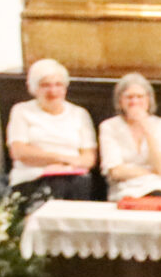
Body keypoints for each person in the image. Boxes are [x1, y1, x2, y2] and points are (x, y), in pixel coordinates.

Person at [5, 59, 97, 202]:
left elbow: (88, 159)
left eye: (58, 85)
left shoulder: (79, 113)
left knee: (78, 183)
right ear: (34, 88)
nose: (53, 91)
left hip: (72, 177)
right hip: (33, 177)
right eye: (45, 85)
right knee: (57, 186)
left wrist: (64, 167)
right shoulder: (21, 111)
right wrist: (61, 160)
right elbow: (19, 152)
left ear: (65, 87)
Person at [99, 71, 161, 203]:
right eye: (129, 97)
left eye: (140, 97)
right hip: (124, 188)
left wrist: (147, 131)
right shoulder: (109, 126)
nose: (135, 101)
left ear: (148, 100)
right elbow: (116, 171)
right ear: (120, 101)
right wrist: (151, 172)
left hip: (158, 187)